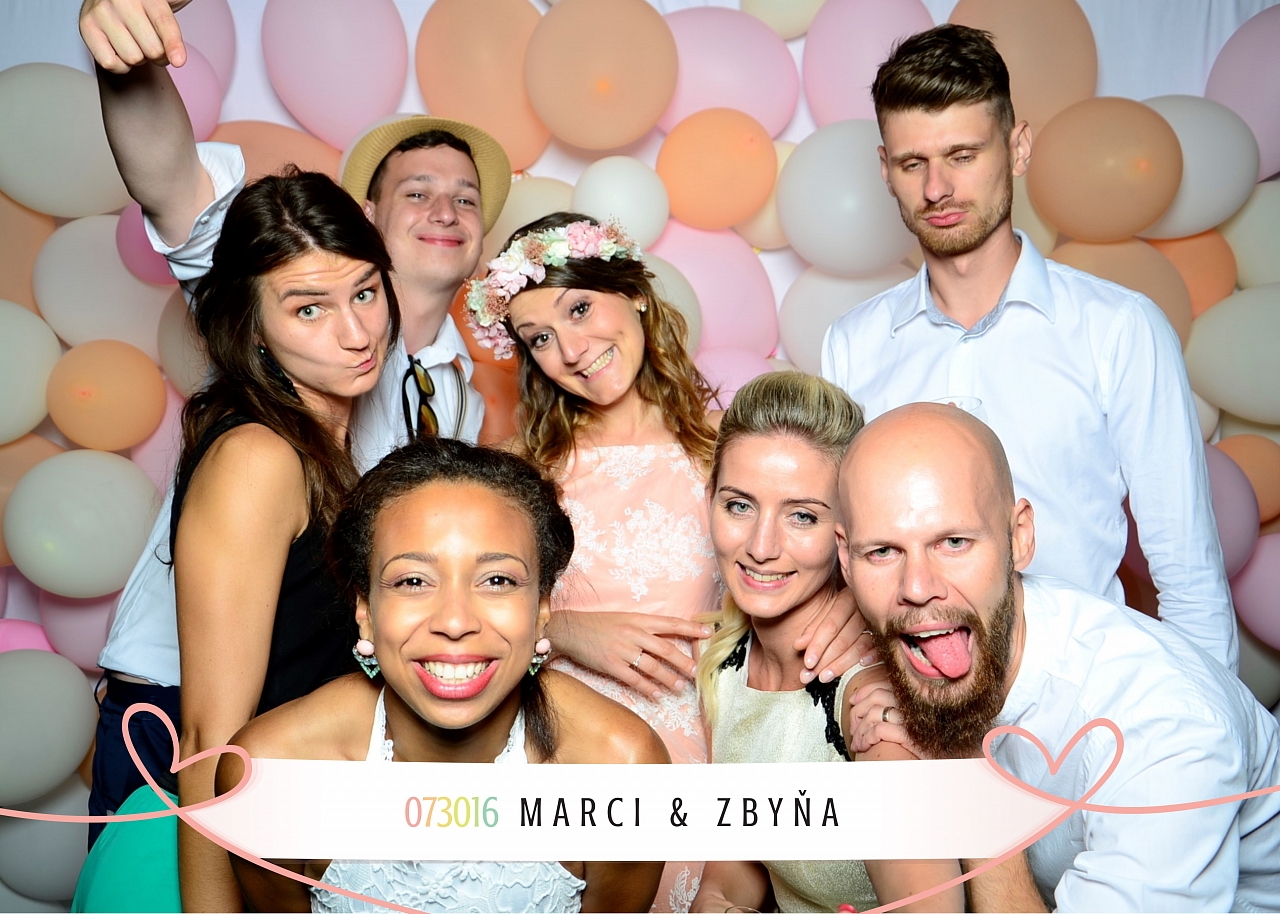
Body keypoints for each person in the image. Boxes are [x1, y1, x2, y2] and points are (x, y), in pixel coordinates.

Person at [464, 213, 874, 911]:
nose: (571, 350)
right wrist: (561, 630)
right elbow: (461, 611)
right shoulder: (518, 471)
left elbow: (833, 543)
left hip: (703, 755)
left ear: (635, 295)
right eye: (540, 337)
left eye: (580, 309)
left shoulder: (730, 450)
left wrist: (847, 605)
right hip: (558, 752)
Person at [819, 24, 1237, 670]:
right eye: (912, 164)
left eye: (963, 156)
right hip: (912, 704)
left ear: (1018, 148)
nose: (936, 189)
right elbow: (845, 560)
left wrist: (1214, 726)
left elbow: (1188, 573)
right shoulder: (852, 345)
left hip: (1086, 700)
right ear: (885, 170)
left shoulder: (1118, 329)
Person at [82, 166, 401, 913]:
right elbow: (210, 736)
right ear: (251, 326)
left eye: (364, 292)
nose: (356, 333)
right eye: (309, 309)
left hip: (293, 830)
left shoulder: (327, 446)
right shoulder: (258, 458)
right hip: (228, 846)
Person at [838, 402, 1280, 912]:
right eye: (881, 552)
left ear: (1020, 537)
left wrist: (966, 771)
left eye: (954, 542)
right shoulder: (914, 646)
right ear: (845, 560)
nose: (916, 588)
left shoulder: (1167, 733)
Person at [215, 438, 669, 913]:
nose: (454, 622)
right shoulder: (270, 774)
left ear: (541, 609)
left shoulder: (621, 771)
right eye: (413, 581)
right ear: (365, 609)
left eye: (497, 580)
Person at [690, 373, 962, 914]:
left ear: (849, 533)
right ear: (709, 501)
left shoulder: (870, 706)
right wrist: (715, 900)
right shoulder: (723, 661)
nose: (761, 546)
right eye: (739, 506)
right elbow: (741, 859)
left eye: (802, 516)